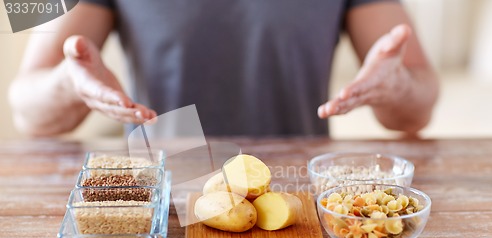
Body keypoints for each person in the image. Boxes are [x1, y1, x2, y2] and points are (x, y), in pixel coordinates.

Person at [9, 0, 438, 137]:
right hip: (162, 205)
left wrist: (396, 84)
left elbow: (419, 104)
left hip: (297, 205)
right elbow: (26, 108)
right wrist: (71, 84)